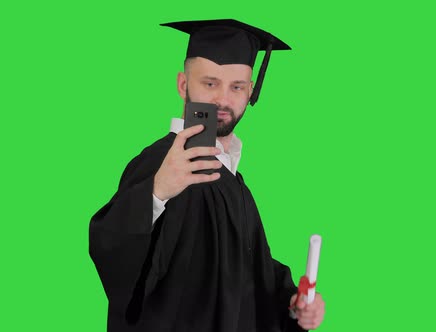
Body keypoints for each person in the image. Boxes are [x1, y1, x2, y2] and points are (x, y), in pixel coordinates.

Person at [89, 19, 325, 332]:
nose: (223, 100)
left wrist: (294, 305)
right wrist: (157, 191)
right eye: (210, 83)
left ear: (251, 92)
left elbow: (246, 278)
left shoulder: (231, 179)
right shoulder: (160, 163)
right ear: (183, 85)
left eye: (237, 86)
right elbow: (113, 251)